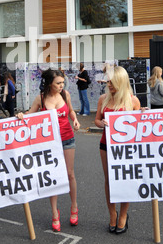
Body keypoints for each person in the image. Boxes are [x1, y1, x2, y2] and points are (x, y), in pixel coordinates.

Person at [17, 68, 80, 232]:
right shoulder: (41, 98)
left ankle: (74, 206)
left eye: (62, 82)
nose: (61, 85)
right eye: (58, 83)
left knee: (70, 174)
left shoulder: (65, 95)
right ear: (49, 83)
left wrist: (75, 119)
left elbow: (71, 110)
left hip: (67, 138)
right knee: (53, 177)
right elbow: (30, 116)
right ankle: (54, 213)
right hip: (50, 143)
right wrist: (22, 116)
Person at [95, 66, 141, 234]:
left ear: (121, 82)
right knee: (109, 180)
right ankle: (112, 213)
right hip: (106, 144)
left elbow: (139, 125)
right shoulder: (103, 99)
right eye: (108, 82)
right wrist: (102, 124)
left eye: (112, 82)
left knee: (125, 180)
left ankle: (123, 215)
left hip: (126, 148)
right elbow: (97, 120)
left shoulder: (133, 100)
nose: (109, 85)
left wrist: (143, 114)